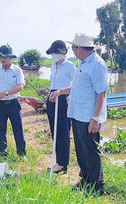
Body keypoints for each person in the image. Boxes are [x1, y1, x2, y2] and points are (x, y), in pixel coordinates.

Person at [50, 33, 109, 194]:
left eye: (74, 48)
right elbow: (77, 87)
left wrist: (95, 119)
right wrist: (61, 91)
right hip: (77, 114)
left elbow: (101, 93)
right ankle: (85, 180)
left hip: (89, 116)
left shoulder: (97, 64)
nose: (73, 51)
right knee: (81, 150)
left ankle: (97, 186)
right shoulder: (82, 63)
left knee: (90, 150)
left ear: (81, 49)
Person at [0, 44, 27, 159]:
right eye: (0, 57)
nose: (2, 59)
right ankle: (3, 154)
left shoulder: (17, 70)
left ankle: (21, 154)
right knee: (0, 129)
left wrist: (5, 93)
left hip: (14, 103)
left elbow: (20, 86)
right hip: (0, 105)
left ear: (10, 58)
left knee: (18, 128)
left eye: (4, 57)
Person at [45, 40, 75, 173]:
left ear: (63, 53)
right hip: (52, 97)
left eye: (57, 52)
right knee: (54, 130)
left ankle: (63, 163)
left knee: (63, 131)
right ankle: (58, 160)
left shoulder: (70, 67)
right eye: (53, 53)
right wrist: (52, 94)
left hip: (63, 99)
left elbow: (75, 86)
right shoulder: (53, 66)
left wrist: (61, 92)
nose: (54, 55)